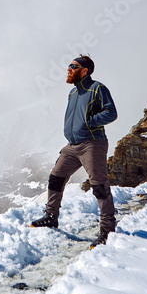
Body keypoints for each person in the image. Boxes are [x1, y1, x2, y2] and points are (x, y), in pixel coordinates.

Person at [31, 54, 118, 247]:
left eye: (74, 66)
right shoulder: (72, 93)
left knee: (99, 186)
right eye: (69, 65)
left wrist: (90, 122)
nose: (69, 69)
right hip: (72, 145)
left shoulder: (97, 88)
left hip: (92, 144)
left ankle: (107, 229)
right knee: (56, 177)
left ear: (85, 70)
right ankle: (51, 217)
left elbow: (111, 112)